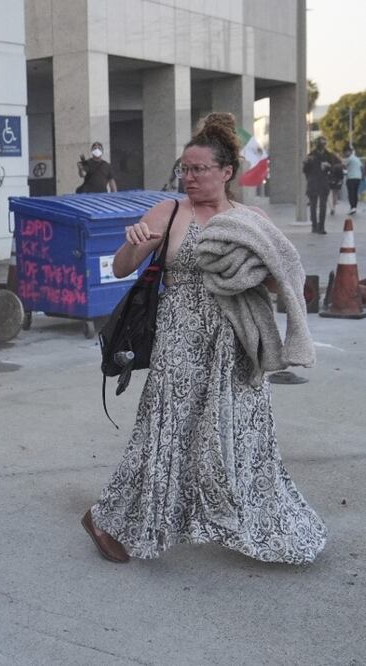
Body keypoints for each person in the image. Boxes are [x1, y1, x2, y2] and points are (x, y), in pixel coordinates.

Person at [82, 112, 327, 565]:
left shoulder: (251, 219)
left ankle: (253, 521)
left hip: (235, 342)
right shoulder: (169, 212)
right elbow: (120, 268)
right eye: (184, 168)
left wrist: (266, 275)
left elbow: (279, 282)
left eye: (198, 169)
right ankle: (106, 518)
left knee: (245, 433)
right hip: (180, 340)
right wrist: (135, 243)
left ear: (226, 172)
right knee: (165, 433)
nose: (188, 177)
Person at [302, 137, 337, 234]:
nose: (323, 145)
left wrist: (328, 166)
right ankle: (314, 226)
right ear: (317, 144)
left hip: (323, 183)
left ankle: (321, 227)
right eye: (321, 143)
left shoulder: (328, 155)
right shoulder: (311, 155)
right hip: (313, 183)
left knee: (323, 206)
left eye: (324, 143)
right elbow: (305, 170)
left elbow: (333, 169)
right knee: (313, 206)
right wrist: (306, 163)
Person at [343, 147, 361, 215]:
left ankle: (352, 207)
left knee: (351, 193)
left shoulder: (349, 158)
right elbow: (361, 167)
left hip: (351, 178)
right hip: (358, 178)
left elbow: (343, 166)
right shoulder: (357, 158)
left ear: (348, 152)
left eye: (345, 152)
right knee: (355, 193)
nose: (344, 154)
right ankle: (355, 207)